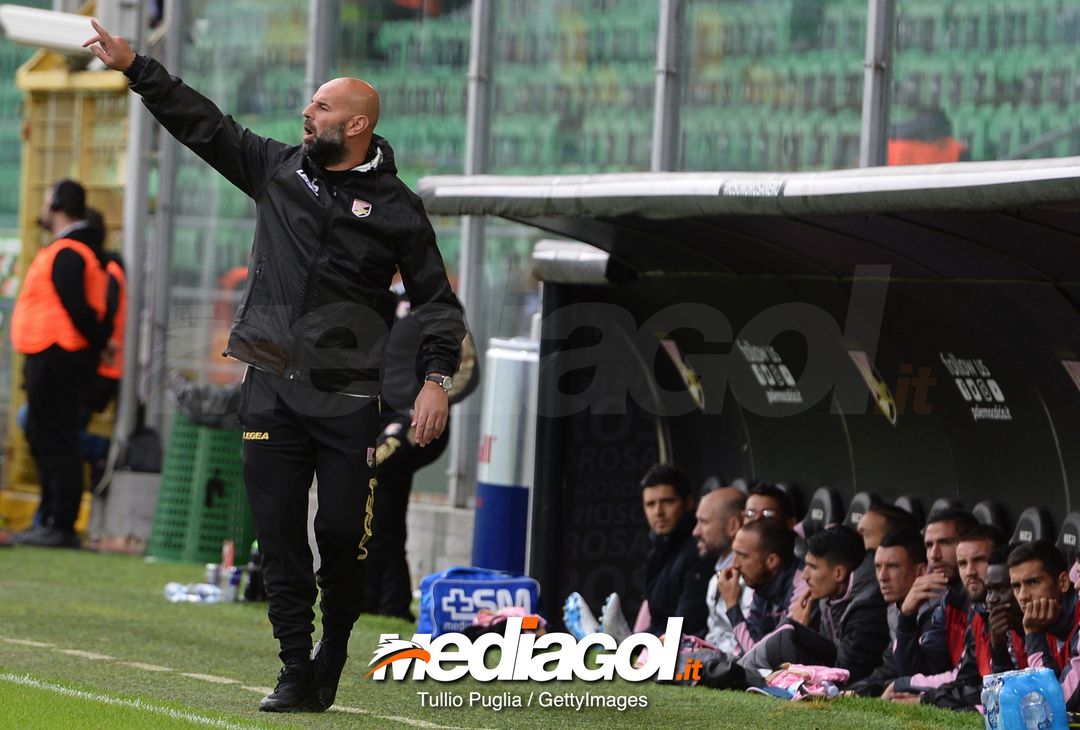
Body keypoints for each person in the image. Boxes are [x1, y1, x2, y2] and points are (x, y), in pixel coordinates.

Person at [84, 20, 466, 713]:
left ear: (354, 124)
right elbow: (203, 126)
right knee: (281, 535)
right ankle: (295, 669)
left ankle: (334, 648)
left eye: (319, 106)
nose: (305, 112)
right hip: (270, 388)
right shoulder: (278, 170)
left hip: (349, 400)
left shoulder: (399, 210)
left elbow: (438, 304)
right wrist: (137, 66)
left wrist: (436, 381)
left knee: (342, 538)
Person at [11, 179, 109, 549]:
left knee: (58, 440)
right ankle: (51, 518)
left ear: (57, 204)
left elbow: (77, 308)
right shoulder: (76, 248)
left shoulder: (69, 250)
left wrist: (96, 342)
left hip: (58, 354)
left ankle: (59, 523)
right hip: (53, 353)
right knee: (49, 435)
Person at [563, 464, 712, 641]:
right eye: (651, 504)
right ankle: (611, 640)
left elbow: (686, 626)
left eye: (668, 501)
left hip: (686, 651)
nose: (659, 512)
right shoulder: (657, 552)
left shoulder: (700, 551)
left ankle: (613, 641)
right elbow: (658, 621)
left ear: (688, 503)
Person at [921, 535, 1026, 710]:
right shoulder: (980, 614)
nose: (970, 571)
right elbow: (966, 680)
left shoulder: (1036, 626)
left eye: (978, 560)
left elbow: (1016, 699)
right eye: (962, 563)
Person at [888, 507, 978, 696]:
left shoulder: (987, 601)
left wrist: (903, 684)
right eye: (929, 546)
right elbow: (920, 671)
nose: (934, 555)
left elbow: (972, 678)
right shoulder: (949, 600)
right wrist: (906, 616)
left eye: (944, 543)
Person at [790, 525, 890, 682]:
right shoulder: (829, 599)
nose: (804, 575)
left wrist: (800, 633)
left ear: (839, 573)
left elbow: (844, 675)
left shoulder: (867, 609)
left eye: (813, 567)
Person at [847, 528, 928, 696]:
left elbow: (922, 675)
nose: (882, 577)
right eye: (878, 567)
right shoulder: (893, 609)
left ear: (919, 571)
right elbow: (891, 667)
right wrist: (851, 691)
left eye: (892, 566)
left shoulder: (935, 612)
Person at [1008, 540, 1080, 711]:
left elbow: (1054, 706)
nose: (1023, 596)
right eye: (1016, 586)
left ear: (1062, 582)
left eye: (1033, 582)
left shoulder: (1036, 627)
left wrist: (1034, 636)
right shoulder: (1041, 623)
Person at [722, 517, 804, 652]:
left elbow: (760, 655)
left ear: (772, 561)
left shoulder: (803, 586)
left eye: (743, 556)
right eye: (734, 554)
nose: (734, 565)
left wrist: (732, 605)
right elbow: (747, 651)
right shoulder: (763, 584)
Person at [692, 486, 752, 654]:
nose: (695, 531)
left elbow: (751, 647)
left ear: (733, 526)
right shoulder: (715, 577)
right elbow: (716, 635)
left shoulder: (753, 577)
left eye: (703, 522)